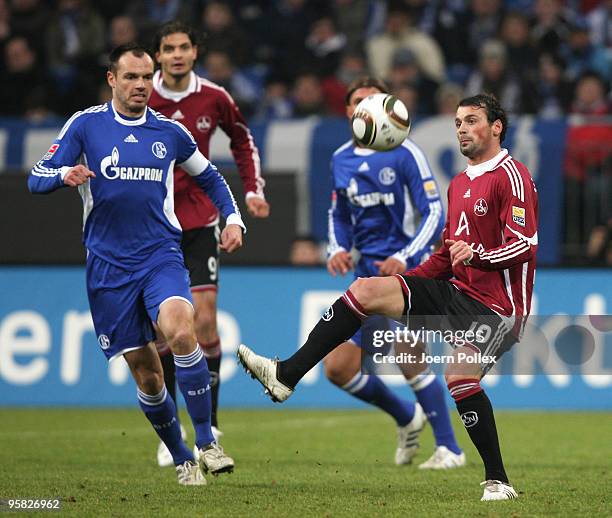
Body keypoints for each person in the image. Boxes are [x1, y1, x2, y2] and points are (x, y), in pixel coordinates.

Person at [239, 93, 538, 501]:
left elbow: (525, 246)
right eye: (457, 123)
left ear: (496, 126)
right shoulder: (461, 183)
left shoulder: (512, 175)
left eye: (472, 121)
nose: (463, 129)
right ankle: (286, 375)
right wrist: (406, 285)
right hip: (457, 292)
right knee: (365, 289)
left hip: (498, 308)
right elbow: (446, 254)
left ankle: (498, 481)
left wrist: (480, 256)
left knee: (459, 379)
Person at [28, 43, 244, 487]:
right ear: (112, 79)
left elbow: (211, 176)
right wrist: (62, 176)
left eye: (146, 77)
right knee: (147, 375)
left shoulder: (169, 133)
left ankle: (207, 442)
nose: (141, 85)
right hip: (108, 268)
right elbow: (36, 176)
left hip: (160, 256)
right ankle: (182, 455)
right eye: (131, 77)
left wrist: (234, 216)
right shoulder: (86, 126)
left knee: (183, 332)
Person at [324, 76, 464, 469]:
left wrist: (405, 256)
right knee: (338, 368)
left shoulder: (405, 152)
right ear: (349, 111)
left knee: (408, 353)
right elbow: (339, 213)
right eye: (357, 102)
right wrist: (337, 248)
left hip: (405, 271)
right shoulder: (340, 158)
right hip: (365, 277)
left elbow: (434, 211)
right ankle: (406, 416)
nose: (364, 108)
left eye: (373, 101)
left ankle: (450, 448)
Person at [148, 21, 269, 468]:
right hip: (156, 225)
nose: (177, 54)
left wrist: (252, 192)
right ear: (157, 55)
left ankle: (210, 424)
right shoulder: (142, 98)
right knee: (164, 331)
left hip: (200, 220)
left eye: (184, 47)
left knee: (205, 322)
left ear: (195, 52)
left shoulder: (215, 97)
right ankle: (169, 430)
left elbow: (242, 141)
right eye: (168, 48)